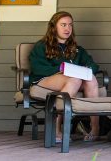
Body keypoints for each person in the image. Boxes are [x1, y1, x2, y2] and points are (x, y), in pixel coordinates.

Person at [29, 11, 102, 143]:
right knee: (74, 79)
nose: (67, 28)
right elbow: (37, 68)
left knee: (91, 78)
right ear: (54, 27)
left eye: (70, 25)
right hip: (45, 79)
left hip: (72, 79)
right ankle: (56, 130)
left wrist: (87, 69)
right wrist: (61, 69)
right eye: (63, 25)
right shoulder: (41, 46)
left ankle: (95, 128)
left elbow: (93, 65)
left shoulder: (77, 49)